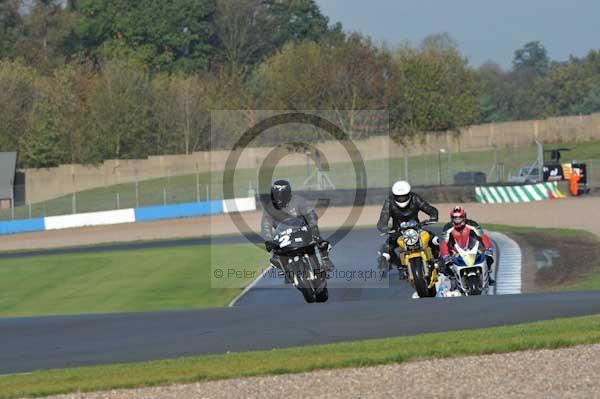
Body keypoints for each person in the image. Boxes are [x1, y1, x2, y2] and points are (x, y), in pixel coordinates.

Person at [261, 180, 333, 279]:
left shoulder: (298, 201)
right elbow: (265, 225)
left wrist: (312, 225)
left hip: (301, 229)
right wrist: (268, 240)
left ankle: (324, 259)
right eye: (276, 194)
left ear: (287, 193)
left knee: (318, 239)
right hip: (283, 235)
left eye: (281, 194)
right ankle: (282, 266)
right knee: (275, 253)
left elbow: (310, 214)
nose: (278, 198)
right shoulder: (270, 208)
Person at [376, 180, 440, 276]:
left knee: (434, 240)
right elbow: (382, 220)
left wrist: (433, 215)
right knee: (386, 250)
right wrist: (384, 227)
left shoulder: (415, 198)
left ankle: (436, 261)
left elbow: (428, 208)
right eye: (398, 197)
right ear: (394, 196)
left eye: (404, 196)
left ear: (409, 194)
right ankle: (400, 265)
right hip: (397, 232)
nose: (401, 199)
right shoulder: (389, 202)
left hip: (417, 229)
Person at [439, 206, 495, 285]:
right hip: (455, 252)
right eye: (455, 218)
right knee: (442, 263)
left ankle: (488, 274)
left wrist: (488, 248)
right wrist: (446, 255)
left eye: (460, 217)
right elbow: (444, 243)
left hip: (473, 249)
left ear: (464, 217)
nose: (457, 220)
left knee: (488, 256)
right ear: (452, 218)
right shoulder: (447, 227)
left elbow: (483, 236)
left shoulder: (472, 224)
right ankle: (452, 278)